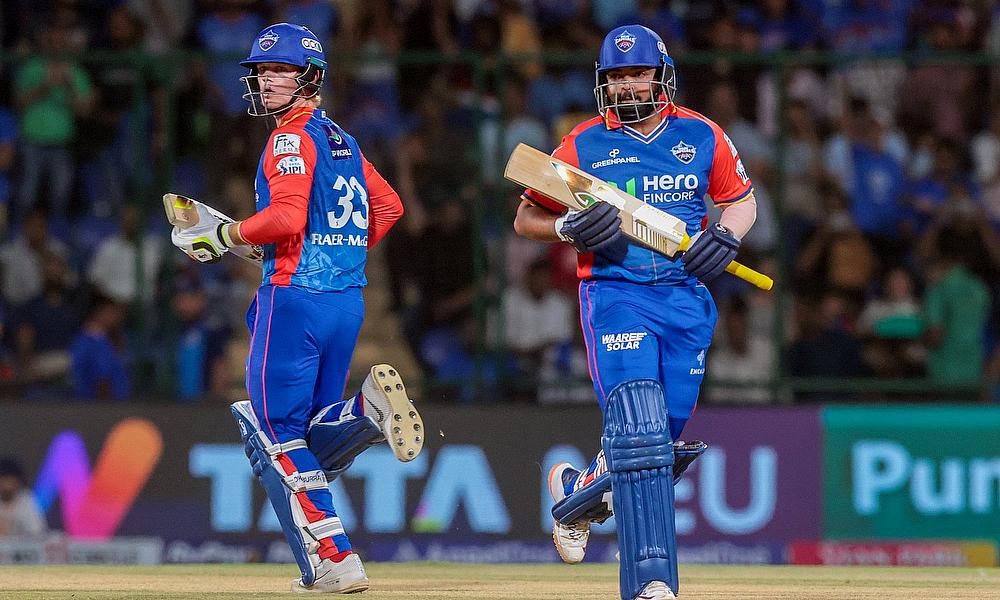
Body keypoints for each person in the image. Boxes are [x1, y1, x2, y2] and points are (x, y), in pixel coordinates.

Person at [169, 23, 424, 594]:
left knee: (276, 432)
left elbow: (285, 218)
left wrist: (227, 234)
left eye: (279, 71)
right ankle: (359, 419)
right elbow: (388, 206)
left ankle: (337, 556)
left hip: (294, 299)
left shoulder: (288, 138)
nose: (265, 81)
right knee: (306, 435)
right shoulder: (341, 138)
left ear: (309, 78)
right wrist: (338, 254)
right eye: (261, 71)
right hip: (345, 303)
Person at [512, 25, 758, 600]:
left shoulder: (701, 134)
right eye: (617, 76)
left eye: (638, 74)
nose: (627, 86)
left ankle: (574, 495)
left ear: (661, 76)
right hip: (615, 294)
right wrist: (568, 227)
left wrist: (726, 236)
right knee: (641, 430)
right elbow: (525, 218)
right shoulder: (582, 144)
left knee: (659, 439)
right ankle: (650, 577)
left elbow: (741, 202)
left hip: (686, 297)